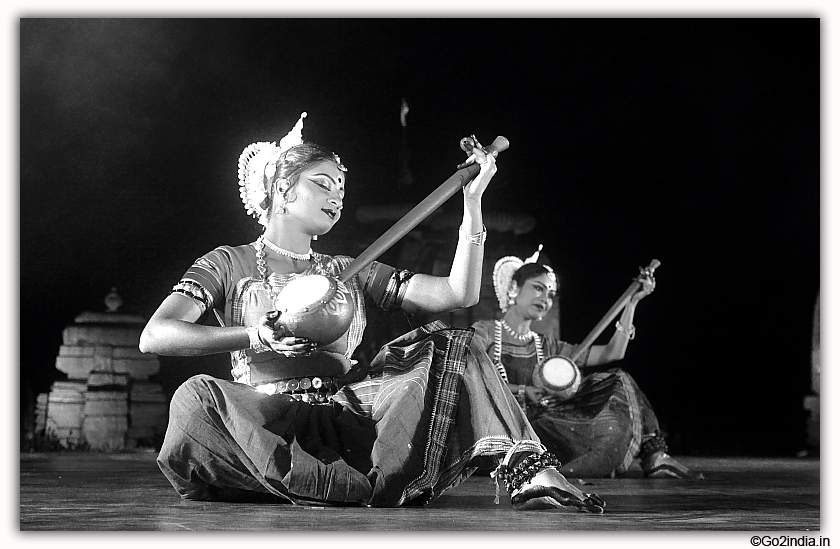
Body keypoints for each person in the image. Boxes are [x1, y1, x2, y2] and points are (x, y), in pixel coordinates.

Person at [139, 112, 606, 512]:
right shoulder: (228, 262)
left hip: (350, 423)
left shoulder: (349, 269)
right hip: (265, 418)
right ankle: (283, 475)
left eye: (341, 188)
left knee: (454, 342)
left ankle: (531, 473)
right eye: (321, 184)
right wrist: (255, 337)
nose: (336, 197)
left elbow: (457, 294)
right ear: (282, 189)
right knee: (196, 401)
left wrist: (473, 202)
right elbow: (156, 335)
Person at [471, 248, 703, 480]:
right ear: (514, 288)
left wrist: (631, 303)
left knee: (616, 380)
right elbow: (472, 375)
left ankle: (653, 456)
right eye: (538, 288)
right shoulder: (485, 332)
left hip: (545, 426)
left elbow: (612, 353)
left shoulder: (548, 346)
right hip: (503, 427)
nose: (545, 299)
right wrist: (523, 391)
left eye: (551, 294)